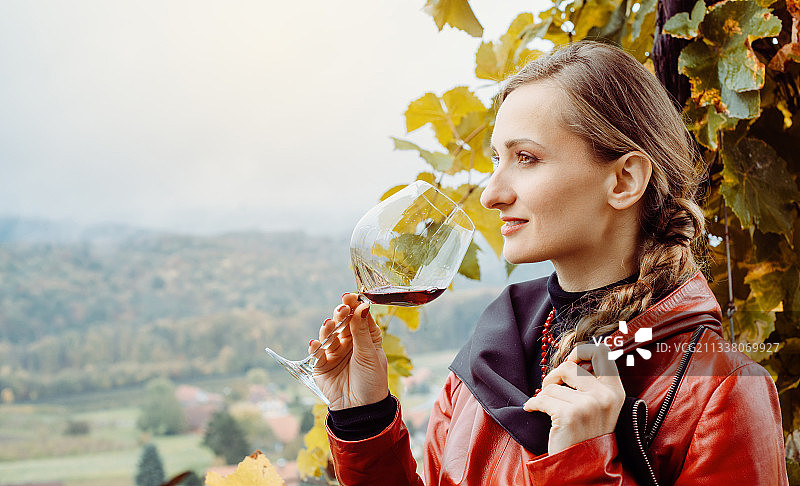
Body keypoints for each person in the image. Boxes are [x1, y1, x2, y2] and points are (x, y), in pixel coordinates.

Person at [308, 41, 788, 485]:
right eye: (497, 158)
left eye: (526, 157)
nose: (494, 194)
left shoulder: (721, 393)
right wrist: (363, 417)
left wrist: (582, 465)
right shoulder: (486, 358)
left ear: (623, 181)